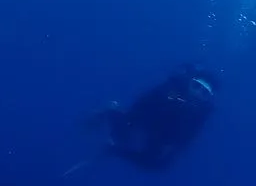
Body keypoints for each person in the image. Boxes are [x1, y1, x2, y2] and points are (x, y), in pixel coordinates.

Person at [81, 65, 218, 171]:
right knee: (121, 135)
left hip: (163, 135)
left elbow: (185, 142)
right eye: (196, 86)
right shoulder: (171, 90)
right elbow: (140, 104)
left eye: (204, 92)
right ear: (189, 83)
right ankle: (110, 111)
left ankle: (111, 150)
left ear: (206, 99)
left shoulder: (200, 114)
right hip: (144, 119)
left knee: (157, 165)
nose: (197, 92)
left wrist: (169, 151)